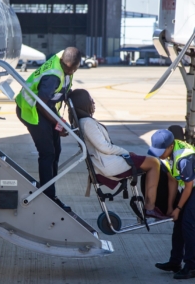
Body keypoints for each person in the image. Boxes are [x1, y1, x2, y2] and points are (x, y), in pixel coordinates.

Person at [68, 88, 172, 220]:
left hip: (106, 161)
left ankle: (149, 206)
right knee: (154, 163)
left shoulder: (84, 121)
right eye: (90, 100)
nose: (93, 103)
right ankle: (150, 208)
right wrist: (126, 153)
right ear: (84, 104)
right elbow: (104, 147)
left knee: (149, 162)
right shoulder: (87, 123)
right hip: (107, 164)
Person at [16, 47, 81, 208]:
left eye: (73, 69)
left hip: (45, 109)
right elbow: (41, 104)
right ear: (62, 63)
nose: (70, 72)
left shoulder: (64, 60)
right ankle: (48, 197)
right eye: (68, 69)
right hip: (31, 110)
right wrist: (59, 123)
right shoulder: (54, 75)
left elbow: (60, 92)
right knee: (47, 153)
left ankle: (48, 187)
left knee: (56, 152)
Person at [148, 129, 195, 279]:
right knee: (178, 224)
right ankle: (175, 262)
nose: (158, 154)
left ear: (170, 146)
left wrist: (179, 208)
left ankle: (192, 266)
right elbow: (172, 180)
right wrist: (171, 207)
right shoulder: (167, 155)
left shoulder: (184, 158)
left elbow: (188, 186)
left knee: (188, 223)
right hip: (189, 187)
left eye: (161, 151)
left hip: (192, 187)